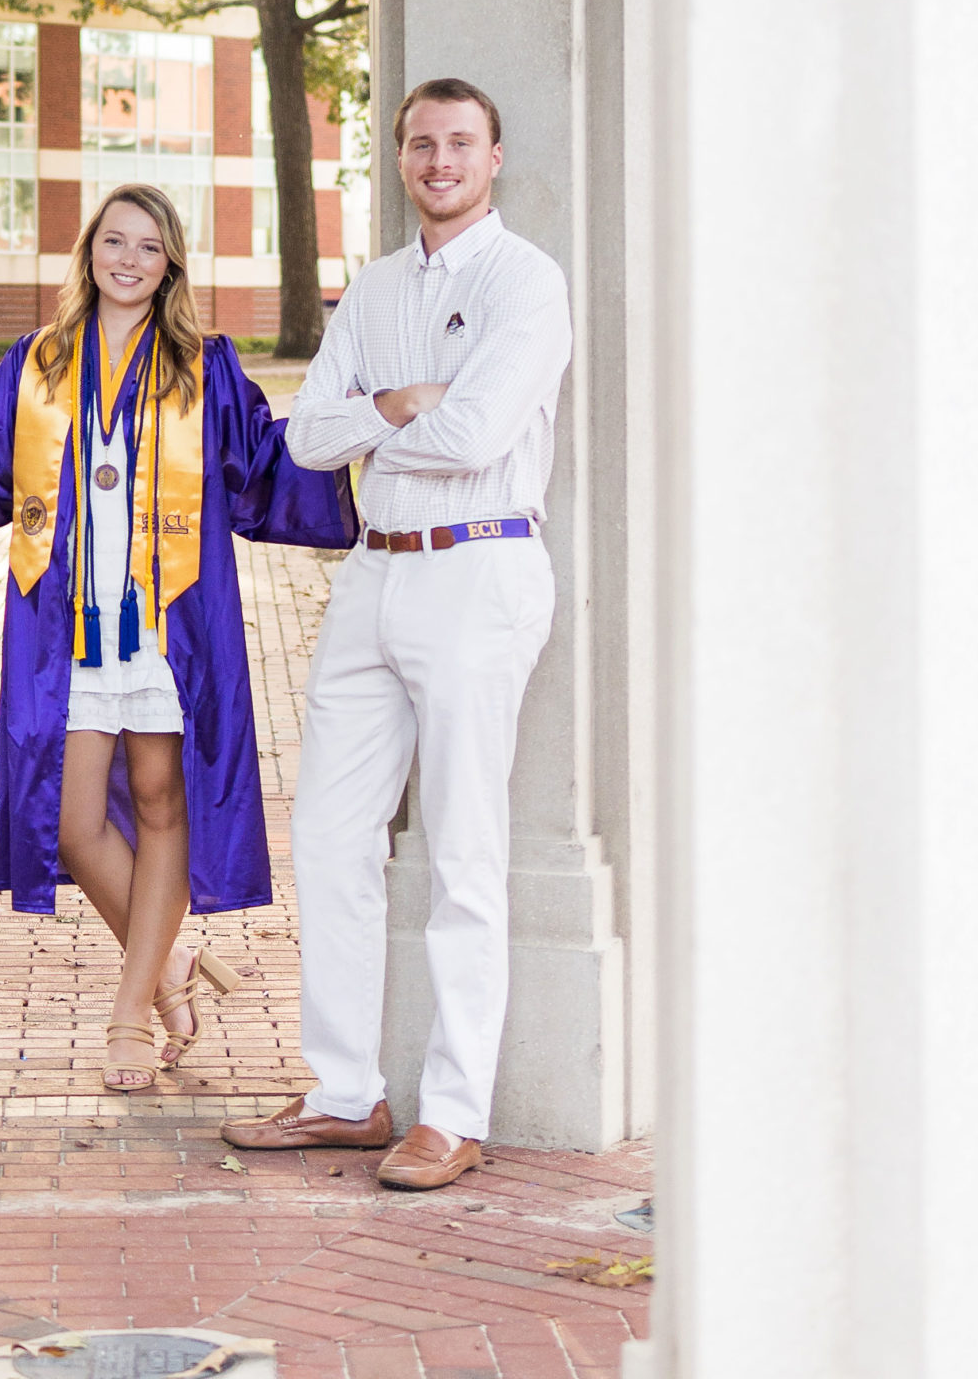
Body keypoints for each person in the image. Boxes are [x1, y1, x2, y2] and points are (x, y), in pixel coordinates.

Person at [0, 182, 357, 1094]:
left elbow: (264, 465)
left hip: (170, 624)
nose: (127, 259)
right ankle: (170, 965)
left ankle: (130, 1014)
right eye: (114, 241)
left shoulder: (202, 367)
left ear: (170, 262)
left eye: (147, 246)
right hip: (67, 624)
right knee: (70, 817)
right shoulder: (38, 361)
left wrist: (362, 419)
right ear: (88, 251)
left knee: (161, 799)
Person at [220, 78, 570, 1190]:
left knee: (464, 847)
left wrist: (399, 413)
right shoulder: (373, 288)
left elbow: (478, 431)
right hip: (375, 575)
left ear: (494, 155)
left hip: (481, 564)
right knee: (329, 832)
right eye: (421, 142)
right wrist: (398, 404)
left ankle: (453, 1112)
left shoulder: (528, 281)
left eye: (461, 141)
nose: (439, 159)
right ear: (402, 156)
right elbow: (308, 436)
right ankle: (345, 1094)